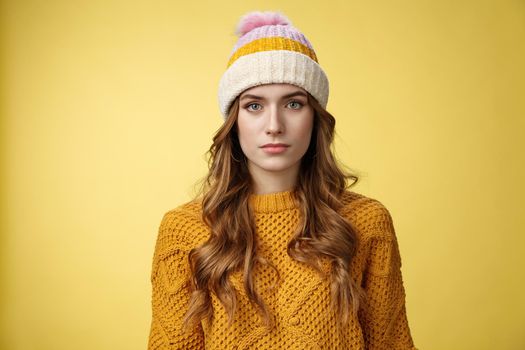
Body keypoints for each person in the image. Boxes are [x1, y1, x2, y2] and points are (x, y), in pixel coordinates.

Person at [147, 10, 417, 350]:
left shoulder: (365, 222)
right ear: (235, 120)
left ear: (315, 118)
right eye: (254, 106)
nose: (274, 125)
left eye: (293, 103)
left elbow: (390, 343)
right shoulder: (184, 229)